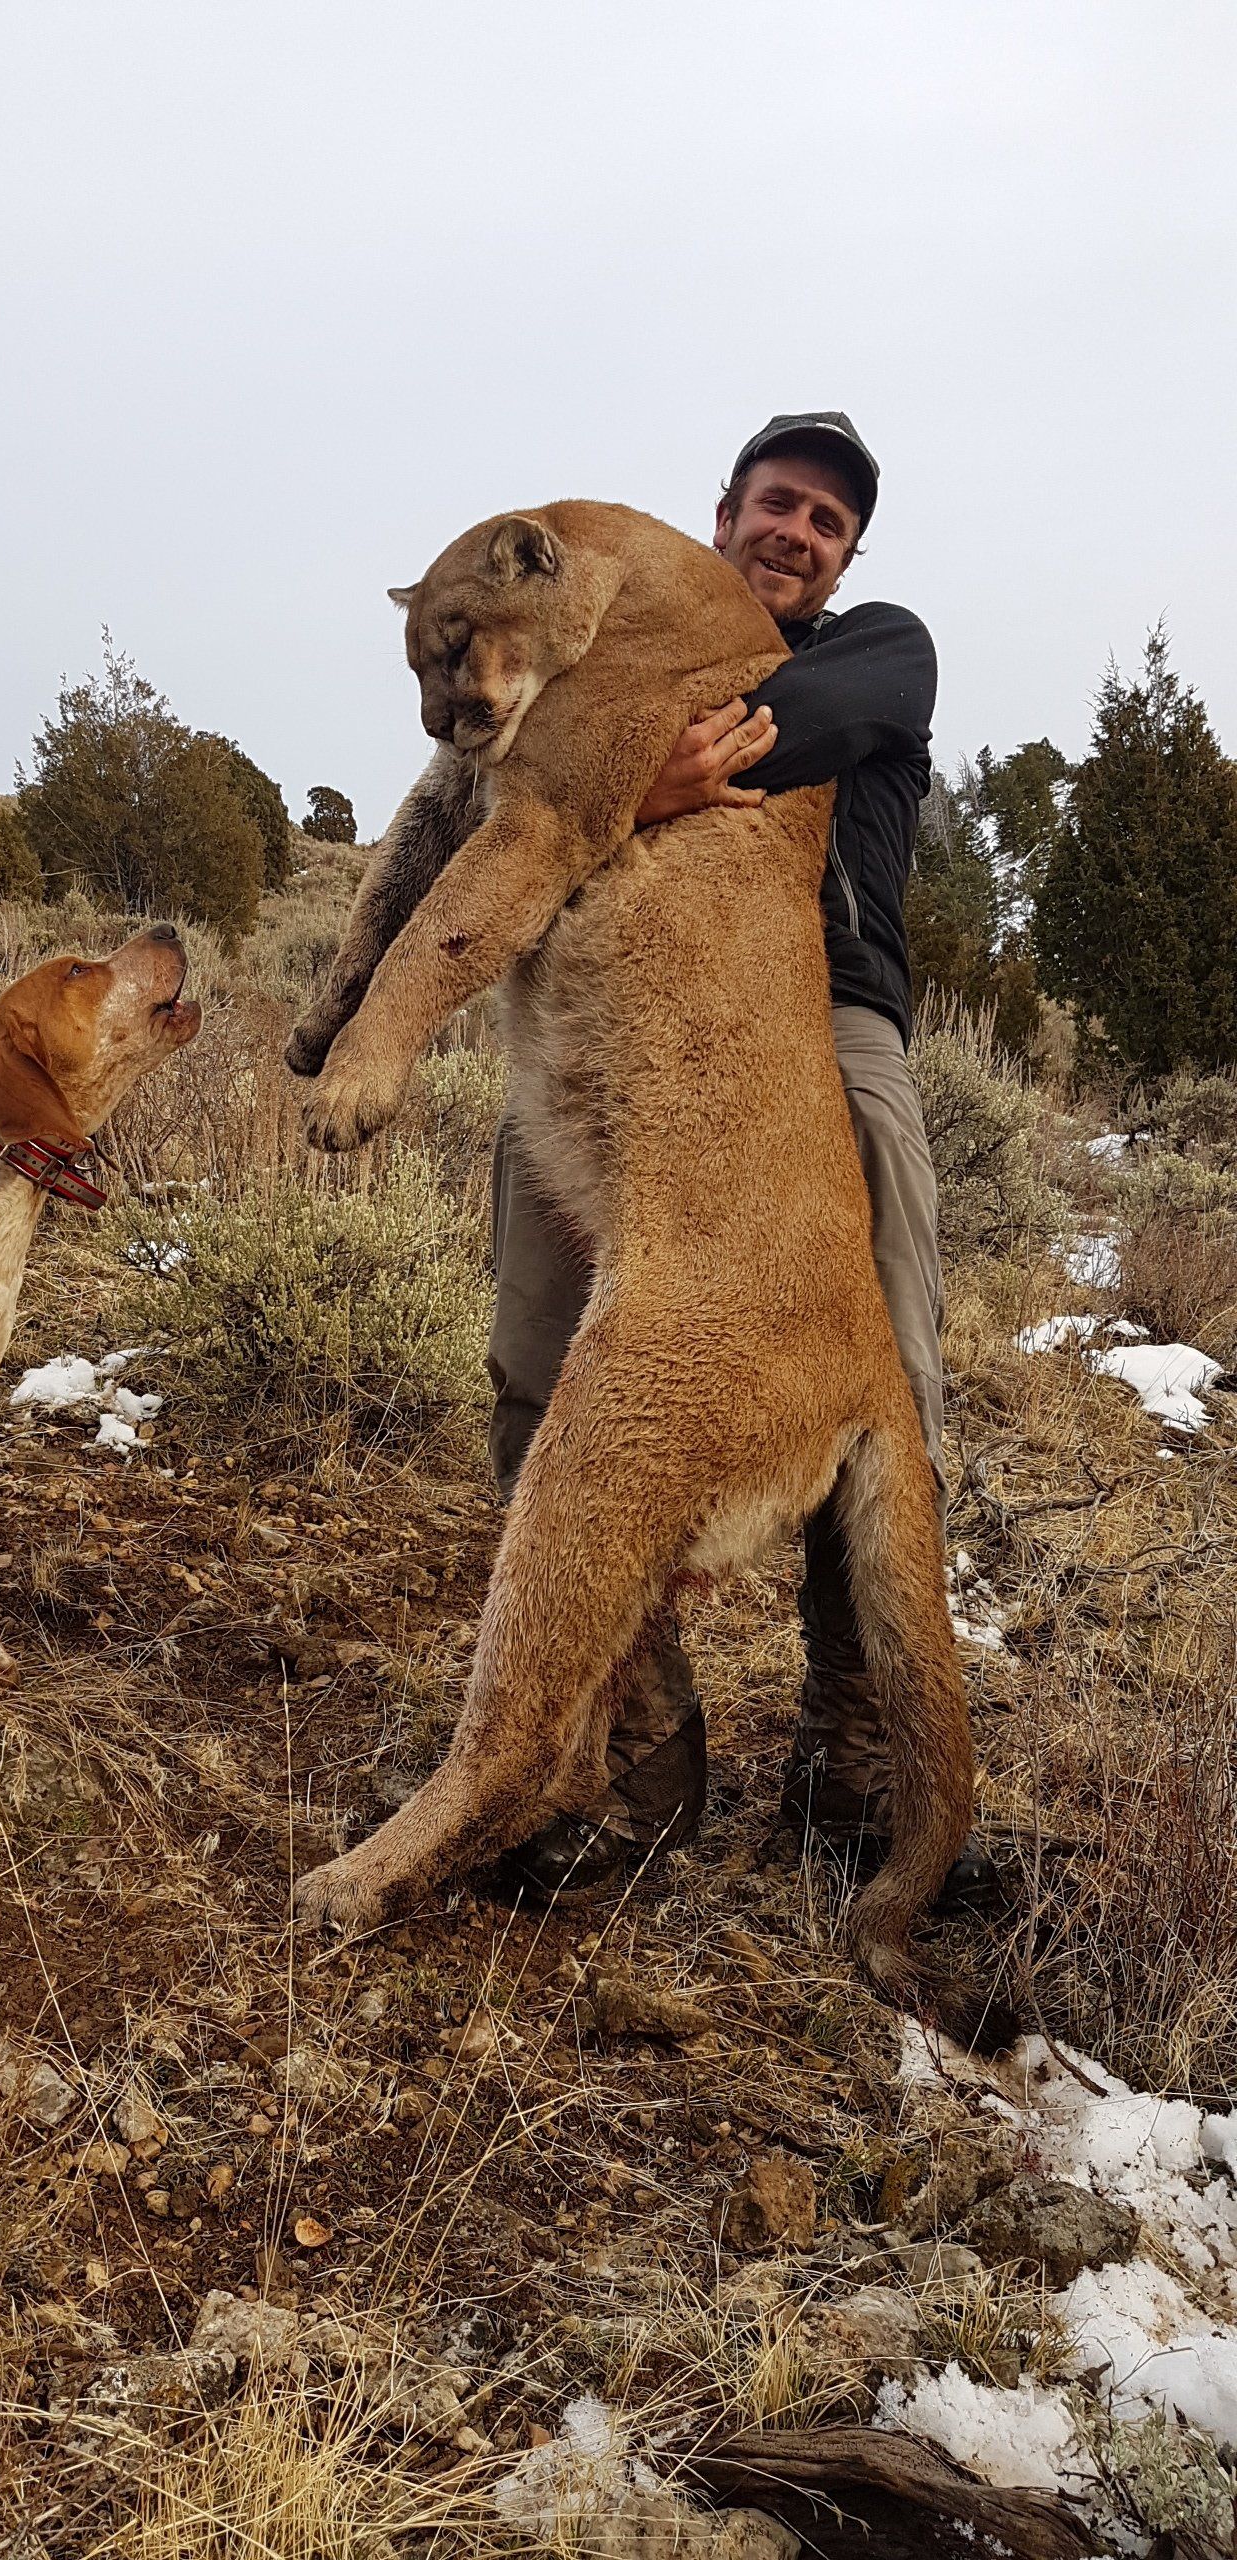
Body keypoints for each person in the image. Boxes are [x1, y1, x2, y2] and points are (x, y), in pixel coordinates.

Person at [486, 409, 997, 1906]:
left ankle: (852, 1775)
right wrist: (611, 775)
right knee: (541, 1373)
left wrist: (608, 774)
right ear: (720, 514)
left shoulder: (880, 650)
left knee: (882, 1392)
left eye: (826, 523)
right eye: (777, 504)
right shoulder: (628, 657)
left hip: (823, 1039)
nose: (797, 533)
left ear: (847, 558)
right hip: (623, 1040)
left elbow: (750, 738)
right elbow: (501, 783)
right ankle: (630, 1763)